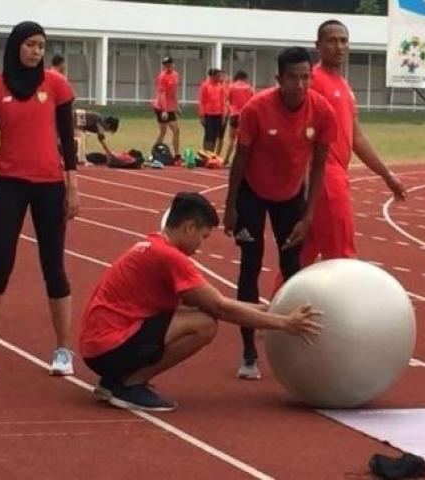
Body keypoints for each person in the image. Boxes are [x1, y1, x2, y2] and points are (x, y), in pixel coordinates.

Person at [79, 192, 322, 412]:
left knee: (200, 311)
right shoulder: (169, 257)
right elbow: (220, 307)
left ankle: (115, 380)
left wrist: (274, 310)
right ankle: (129, 384)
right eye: (202, 236)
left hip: (99, 348)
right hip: (108, 346)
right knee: (205, 324)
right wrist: (284, 323)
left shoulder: (154, 245)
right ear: (189, 227)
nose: (200, 245)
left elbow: (216, 301)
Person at [0, 21, 80, 378]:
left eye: (41, 46)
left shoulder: (56, 84)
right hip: (9, 186)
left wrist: (72, 186)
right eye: (30, 44)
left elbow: (68, 139)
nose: (36, 51)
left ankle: (63, 350)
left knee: (54, 269)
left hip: (50, 185)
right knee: (0, 266)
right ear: (16, 46)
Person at [223, 47, 336, 380]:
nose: (300, 84)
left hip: (290, 196)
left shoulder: (321, 110)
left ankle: (293, 338)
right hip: (252, 194)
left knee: (292, 268)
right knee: (251, 264)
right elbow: (239, 161)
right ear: (279, 78)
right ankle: (248, 352)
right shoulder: (257, 108)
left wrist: (308, 215)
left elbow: (318, 167)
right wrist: (230, 208)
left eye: (306, 77)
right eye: (293, 77)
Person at [302, 20, 406, 265]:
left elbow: (356, 136)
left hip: (336, 172)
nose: (339, 46)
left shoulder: (344, 86)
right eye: (332, 41)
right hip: (325, 176)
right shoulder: (312, 81)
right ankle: (340, 303)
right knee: (341, 254)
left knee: (302, 253)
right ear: (318, 46)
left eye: (344, 41)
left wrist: (386, 174)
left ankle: (280, 302)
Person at [152, 56, 181, 164]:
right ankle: (154, 152)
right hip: (161, 106)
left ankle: (177, 155)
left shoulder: (176, 75)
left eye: (169, 64)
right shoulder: (162, 77)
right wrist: (164, 110)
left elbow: (174, 92)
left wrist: (177, 106)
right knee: (163, 131)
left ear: (173, 64)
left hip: (170, 106)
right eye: (165, 65)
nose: (168, 66)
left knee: (176, 131)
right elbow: (162, 94)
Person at [223, 70, 255, 166]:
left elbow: (228, 101)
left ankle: (226, 159)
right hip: (244, 115)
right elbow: (253, 101)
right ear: (245, 78)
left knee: (231, 139)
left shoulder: (231, 87)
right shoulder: (249, 88)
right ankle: (241, 160)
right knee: (243, 140)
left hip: (234, 114)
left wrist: (231, 109)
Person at [198, 68, 225, 153]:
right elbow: (201, 101)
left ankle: (211, 153)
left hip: (218, 114)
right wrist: (201, 115)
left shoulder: (220, 86)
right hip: (208, 113)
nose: (219, 77)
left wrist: (223, 115)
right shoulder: (205, 86)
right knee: (208, 134)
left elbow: (222, 102)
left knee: (214, 135)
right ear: (213, 76)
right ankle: (206, 153)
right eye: (218, 75)